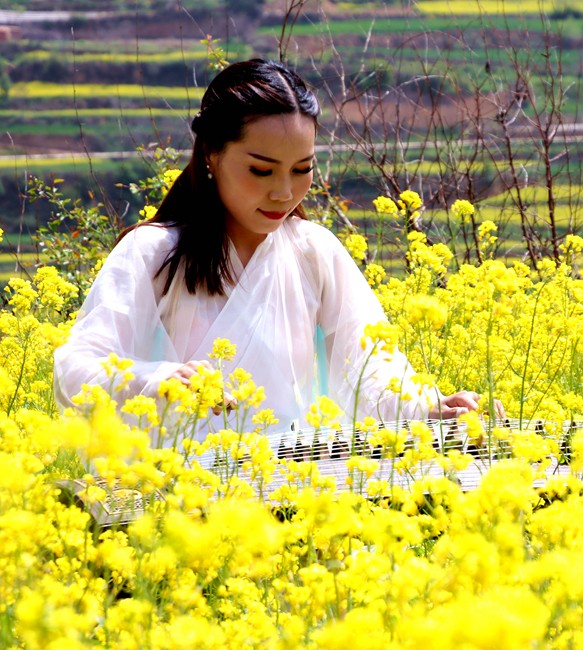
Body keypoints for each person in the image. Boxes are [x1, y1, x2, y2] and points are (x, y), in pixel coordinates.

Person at [53, 58, 490, 444]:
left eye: (302, 169)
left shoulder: (314, 251)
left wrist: (427, 408)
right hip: (177, 496)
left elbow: (369, 367)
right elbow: (76, 369)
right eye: (261, 170)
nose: (284, 192)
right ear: (211, 154)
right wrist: (158, 379)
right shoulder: (154, 252)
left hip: (288, 487)